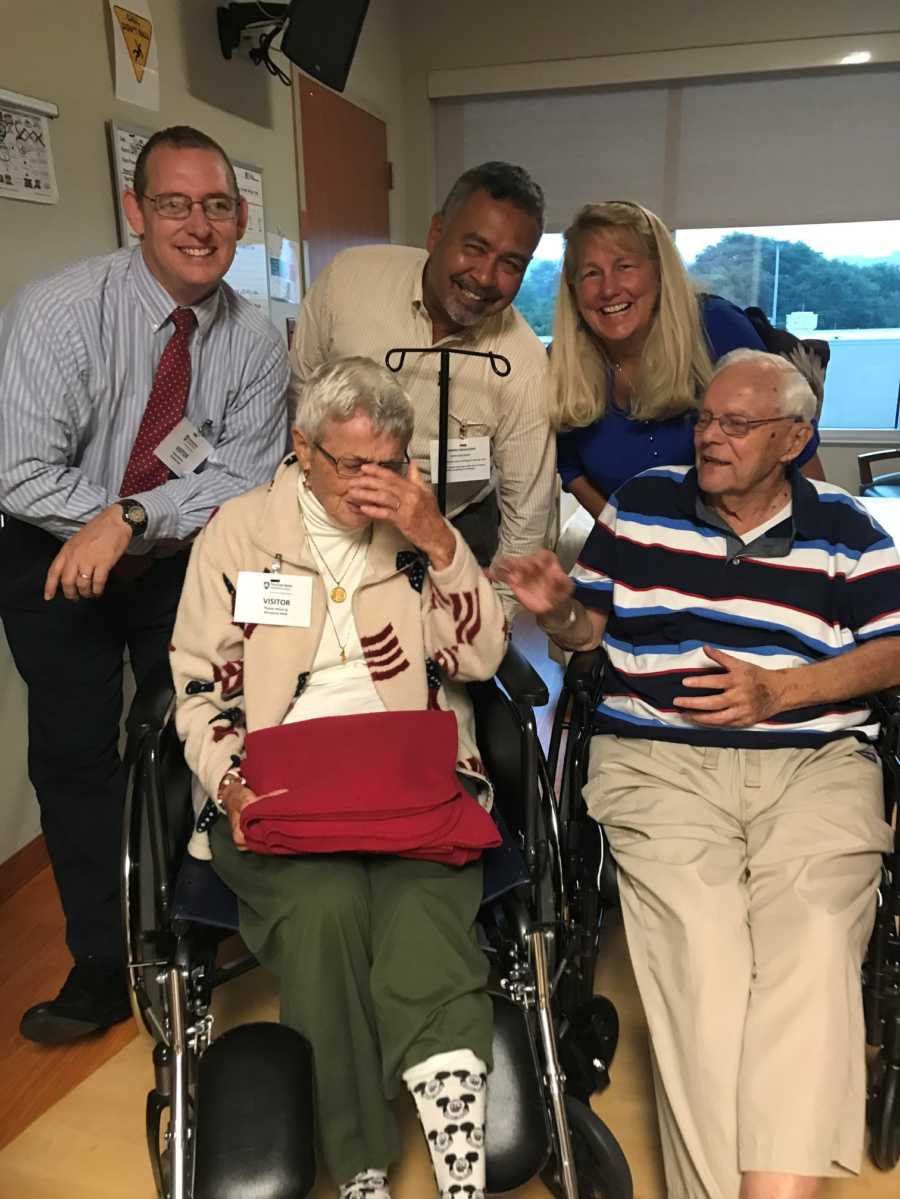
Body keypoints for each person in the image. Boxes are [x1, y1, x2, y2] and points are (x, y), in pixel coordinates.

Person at [495, 350, 900, 1199]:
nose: (711, 437)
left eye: (737, 424)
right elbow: (588, 632)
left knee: (817, 941)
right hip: (660, 762)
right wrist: (559, 609)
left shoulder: (850, 529)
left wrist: (782, 689)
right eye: (705, 419)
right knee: (705, 971)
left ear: (795, 438)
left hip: (813, 762)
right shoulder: (645, 507)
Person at [170, 357, 506, 1199]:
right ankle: (358, 1158)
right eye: (351, 463)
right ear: (301, 448)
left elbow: (482, 656)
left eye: (389, 463)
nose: (373, 484)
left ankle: (456, 1130)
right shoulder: (241, 531)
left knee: (418, 895)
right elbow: (199, 685)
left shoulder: (426, 531)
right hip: (279, 775)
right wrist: (233, 784)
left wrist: (437, 535)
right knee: (323, 907)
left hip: (411, 765)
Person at [0, 125, 290, 1043]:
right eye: (174, 203)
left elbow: (244, 478)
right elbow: (17, 468)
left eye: (216, 206)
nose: (197, 225)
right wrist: (103, 519)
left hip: (176, 556)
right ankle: (98, 960)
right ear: (136, 210)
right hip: (48, 547)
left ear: (240, 218)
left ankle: (192, 929)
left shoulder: (256, 340)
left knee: (196, 725)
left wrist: (131, 518)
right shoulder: (57, 310)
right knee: (76, 751)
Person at [291, 161, 556, 613]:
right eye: (474, 247)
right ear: (436, 233)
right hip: (332, 517)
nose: (485, 277)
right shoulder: (347, 283)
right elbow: (302, 397)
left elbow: (526, 519)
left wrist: (493, 625)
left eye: (510, 263)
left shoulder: (524, 365)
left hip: (452, 526)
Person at [551, 201, 825, 523]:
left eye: (624, 267)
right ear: (573, 289)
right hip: (638, 556)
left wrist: (818, 536)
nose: (609, 289)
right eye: (591, 273)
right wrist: (621, 534)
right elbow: (570, 469)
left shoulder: (716, 327)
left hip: (743, 545)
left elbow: (796, 445)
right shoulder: (562, 364)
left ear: (659, 272)